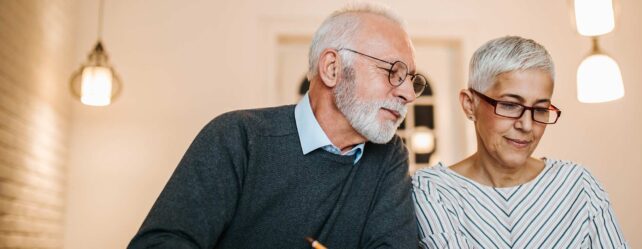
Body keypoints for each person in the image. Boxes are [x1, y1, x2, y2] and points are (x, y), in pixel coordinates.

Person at [129, 3, 428, 248]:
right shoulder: (238, 137)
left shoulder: (388, 156)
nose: (409, 93)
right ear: (332, 68)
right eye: (393, 71)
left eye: (411, 79)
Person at [411, 36, 629, 248]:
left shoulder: (578, 185)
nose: (526, 125)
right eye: (509, 105)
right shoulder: (432, 189)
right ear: (470, 104)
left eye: (540, 109)